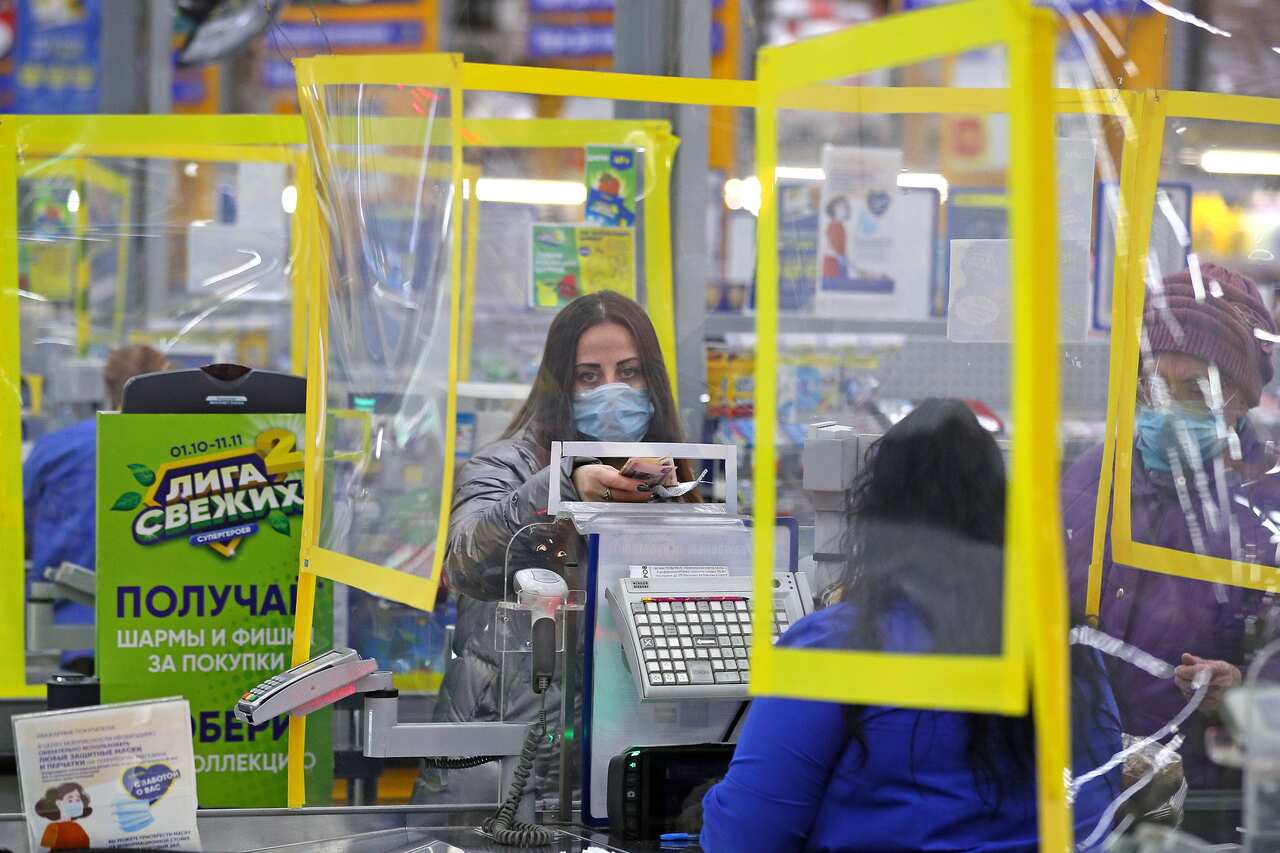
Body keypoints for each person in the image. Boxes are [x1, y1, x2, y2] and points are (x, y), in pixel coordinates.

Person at [702, 399, 1123, 852]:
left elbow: (743, 837)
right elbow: (1097, 814)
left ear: (878, 521)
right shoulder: (1068, 650)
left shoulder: (836, 649)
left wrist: (701, 803)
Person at [427, 291, 695, 800]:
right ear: (560, 384)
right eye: (589, 376)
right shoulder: (506, 467)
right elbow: (466, 560)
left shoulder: (677, 476)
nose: (612, 390)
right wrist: (563, 486)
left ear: (652, 380)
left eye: (630, 372)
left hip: (628, 762)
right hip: (501, 770)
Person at [1063, 263, 1280, 791]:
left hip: (1213, 802)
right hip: (1082, 786)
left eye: (1195, 392)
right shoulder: (1090, 480)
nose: (1166, 410)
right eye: (1152, 386)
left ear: (1241, 400)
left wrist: (1243, 694)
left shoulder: (1269, 506)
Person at [23, 344, 171, 673]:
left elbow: (22, 525)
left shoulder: (55, 448)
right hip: (160, 624)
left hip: (65, 622)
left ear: (107, 386)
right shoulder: (178, 451)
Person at [34, 781, 92, 851]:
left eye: (78, 800)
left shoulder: (77, 826)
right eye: (70, 800)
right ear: (58, 803)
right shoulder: (53, 827)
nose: (75, 803)